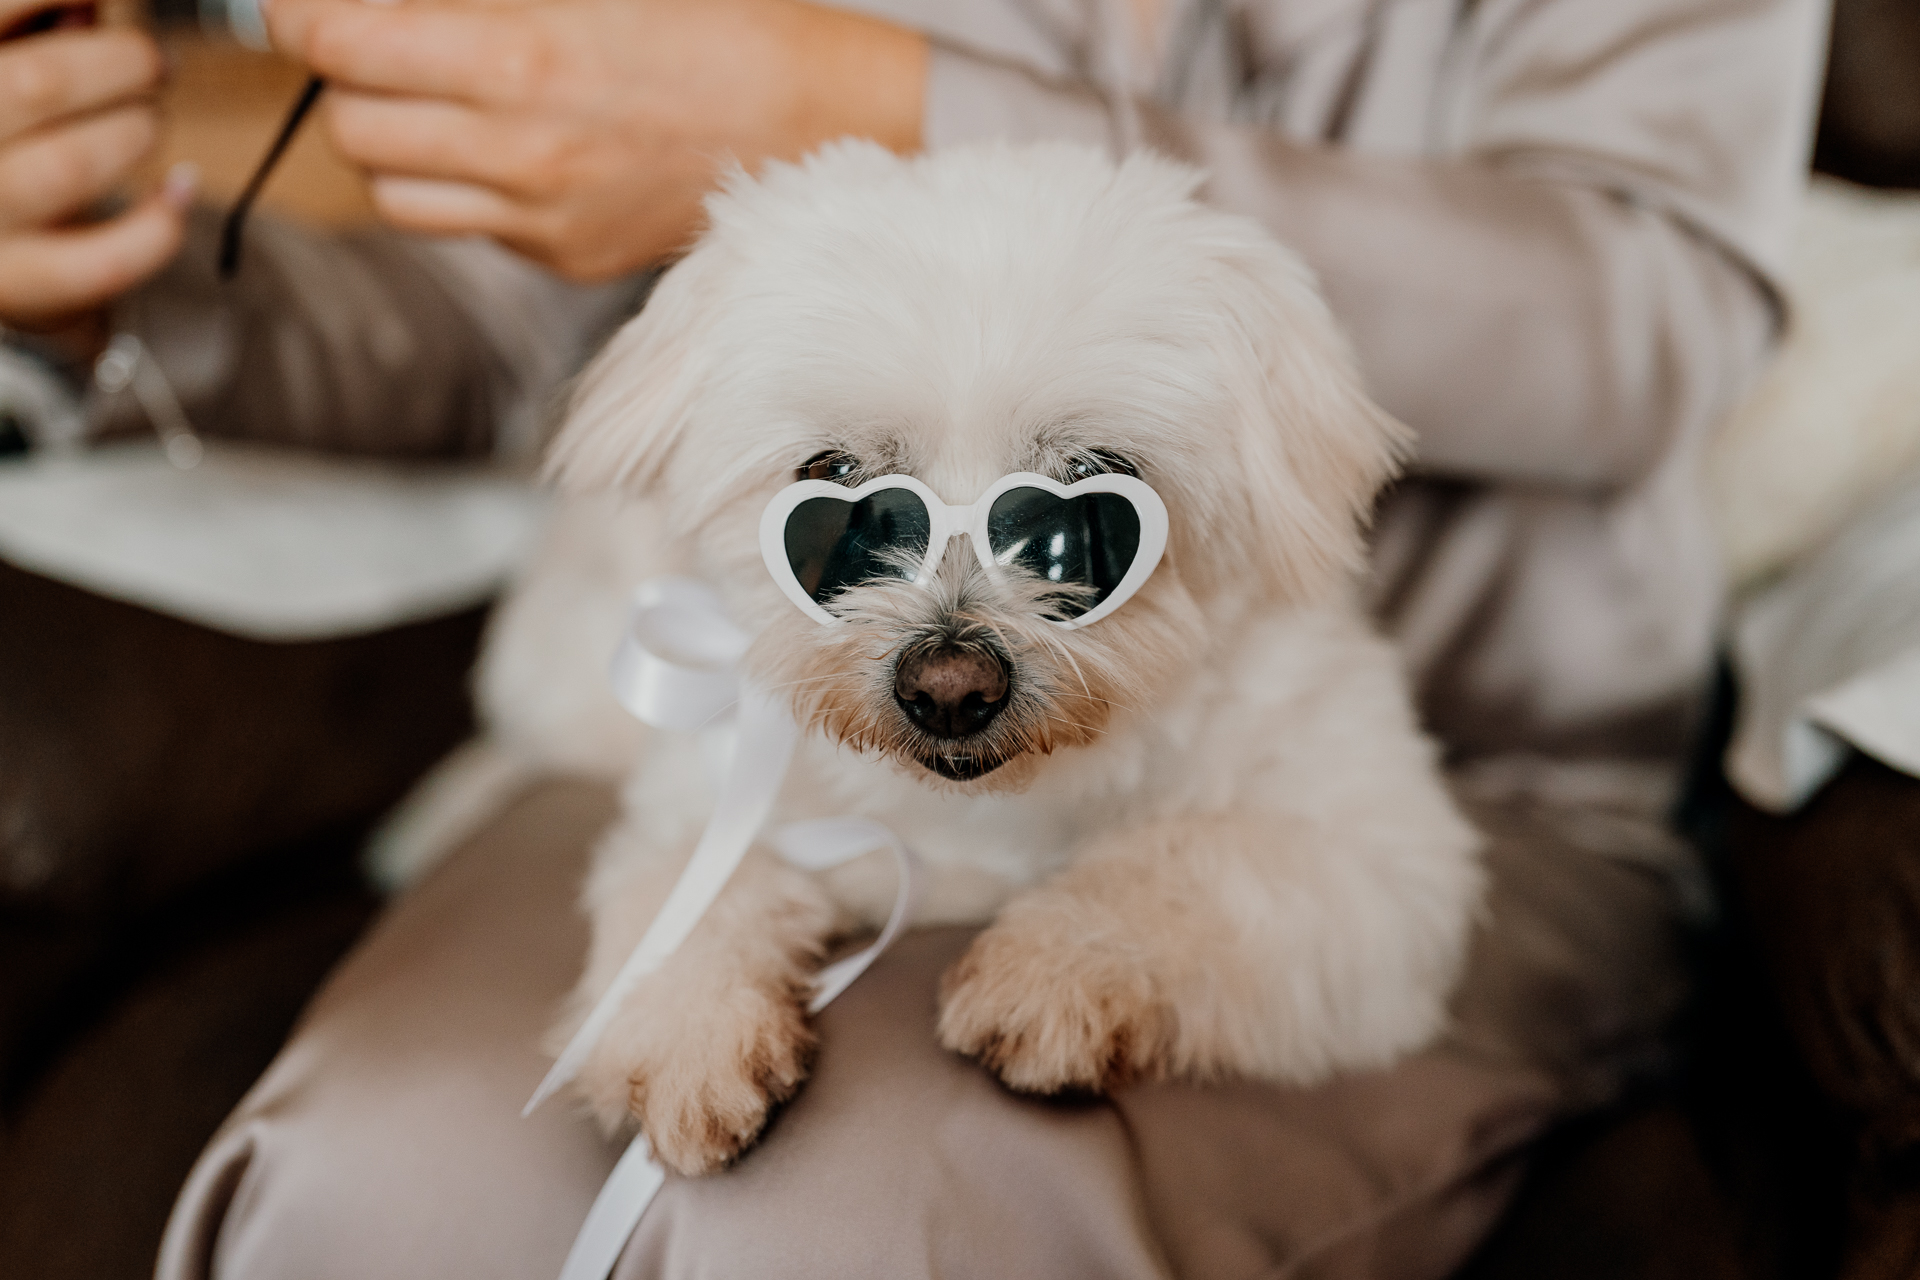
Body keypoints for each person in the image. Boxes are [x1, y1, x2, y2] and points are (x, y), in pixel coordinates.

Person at [1, 0, 1833, 1275]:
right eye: (855, 503)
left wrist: (876, 82)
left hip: (1475, 773)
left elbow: (1644, 313)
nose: (959, 631)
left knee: (858, 1219)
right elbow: (513, 322)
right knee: (380, 1174)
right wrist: (92, 279)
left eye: (1077, 509)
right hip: (773, 759)